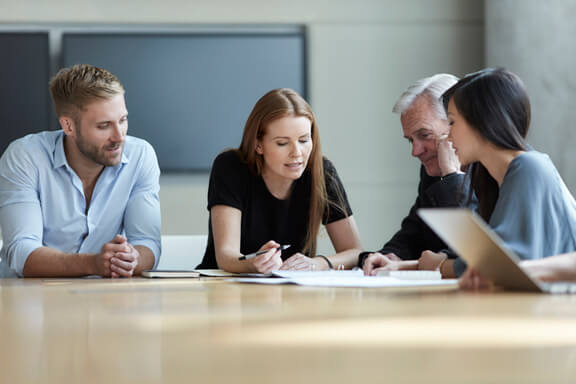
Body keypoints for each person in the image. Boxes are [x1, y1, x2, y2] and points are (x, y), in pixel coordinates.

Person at [0, 64, 161, 278]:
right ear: (68, 126)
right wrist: (93, 264)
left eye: (122, 120)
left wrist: (131, 259)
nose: (119, 137)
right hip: (28, 297)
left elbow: (147, 243)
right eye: (104, 126)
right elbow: (21, 251)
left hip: (103, 297)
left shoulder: (141, 155)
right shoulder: (25, 156)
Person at [429, 68, 576, 279]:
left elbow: (503, 262)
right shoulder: (496, 178)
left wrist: (439, 265)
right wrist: (412, 265)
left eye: (452, 122)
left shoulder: (529, 167)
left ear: (481, 121)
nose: (448, 136)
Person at [197, 88, 362, 273]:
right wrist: (252, 264)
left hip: (292, 293)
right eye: (282, 143)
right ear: (258, 144)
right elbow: (226, 257)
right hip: (224, 290)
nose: (297, 153)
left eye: (304, 140)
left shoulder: (322, 171)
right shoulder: (230, 167)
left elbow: (355, 252)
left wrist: (319, 263)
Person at [361, 74, 471, 276]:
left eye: (424, 135)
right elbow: (415, 230)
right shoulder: (432, 170)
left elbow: (465, 250)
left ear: (455, 124)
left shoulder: (490, 169)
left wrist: (451, 178)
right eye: (410, 140)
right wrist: (390, 255)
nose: (416, 151)